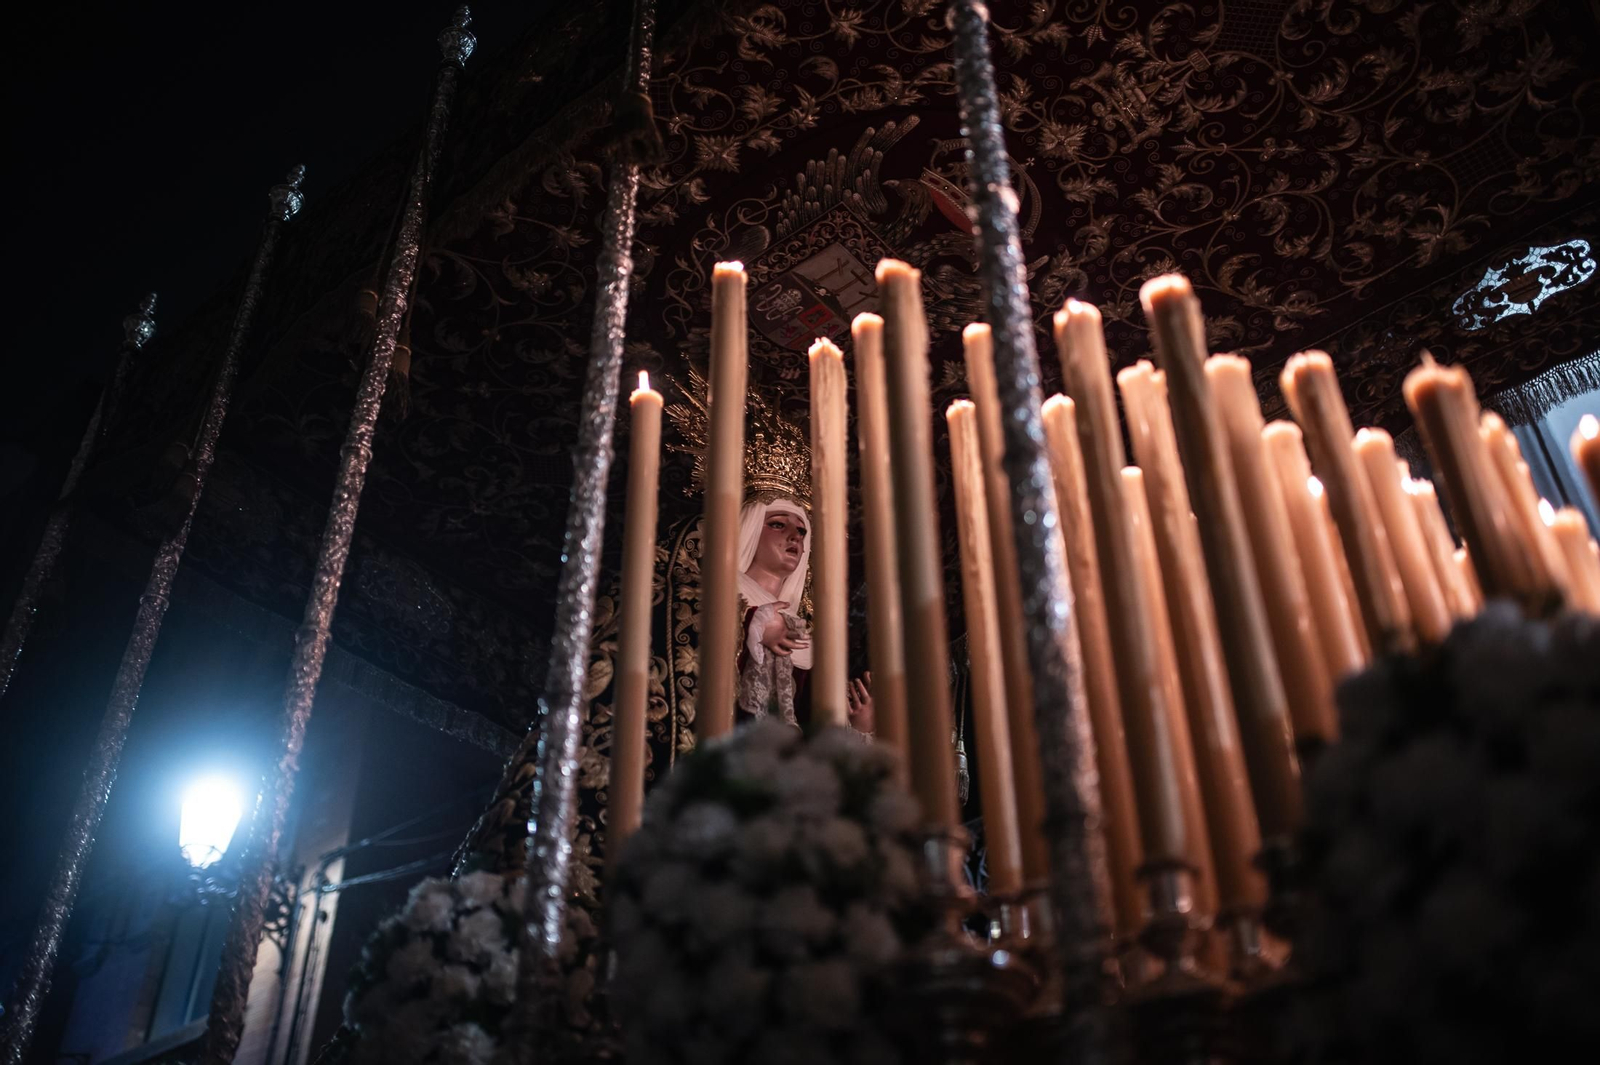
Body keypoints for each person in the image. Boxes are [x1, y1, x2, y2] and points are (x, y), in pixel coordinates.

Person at [733, 495, 873, 733]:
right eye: (778, 524)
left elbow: (811, 732)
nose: (795, 536)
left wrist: (857, 726)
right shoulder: (715, 593)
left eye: (801, 530)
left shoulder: (805, 639)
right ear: (750, 527)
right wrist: (750, 621)